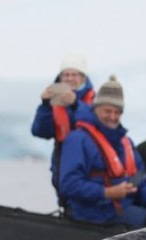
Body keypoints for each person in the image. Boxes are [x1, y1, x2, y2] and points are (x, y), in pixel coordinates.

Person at [58, 75, 146, 227]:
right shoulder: (78, 139)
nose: (112, 116)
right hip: (91, 216)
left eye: (117, 112)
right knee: (144, 223)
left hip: (121, 210)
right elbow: (68, 184)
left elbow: (140, 177)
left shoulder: (125, 142)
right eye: (107, 111)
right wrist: (107, 192)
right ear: (96, 109)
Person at [30, 54, 95, 204]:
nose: (70, 78)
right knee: (67, 197)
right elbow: (39, 131)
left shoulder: (95, 100)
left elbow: (98, 124)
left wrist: (75, 104)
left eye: (74, 74)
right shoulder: (53, 102)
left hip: (89, 159)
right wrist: (45, 104)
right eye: (66, 74)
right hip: (63, 159)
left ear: (83, 77)